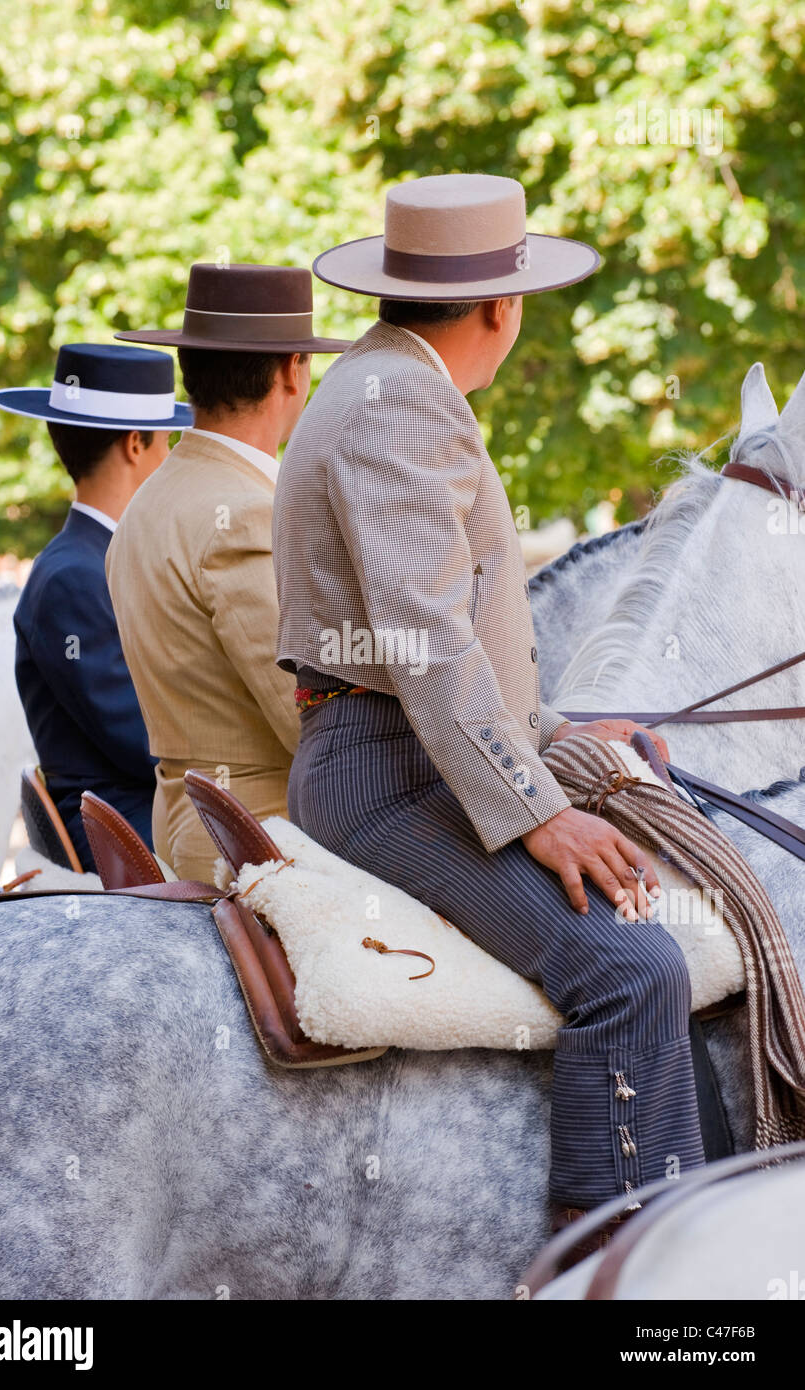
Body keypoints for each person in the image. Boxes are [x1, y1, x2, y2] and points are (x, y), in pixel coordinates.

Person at [272, 173, 705, 1245]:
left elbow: (440, 641)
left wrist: (555, 733)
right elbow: (423, 637)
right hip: (388, 773)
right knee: (632, 965)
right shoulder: (405, 402)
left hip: (405, 750)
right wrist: (539, 808)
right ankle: (610, 1264)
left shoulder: (389, 384)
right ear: (503, 308)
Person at [107, 264, 347, 881]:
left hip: (193, 821)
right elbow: (308, 719)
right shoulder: (244, 510)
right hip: (263, 835)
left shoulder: (149, 500)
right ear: (294, 370)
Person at [0, 342, 192, 870]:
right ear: (134, 445)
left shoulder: (96, 559)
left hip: (140, 811)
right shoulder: (74, 575)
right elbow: (144, 742)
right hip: (126, 828)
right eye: (167, 443)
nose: (170, 460)